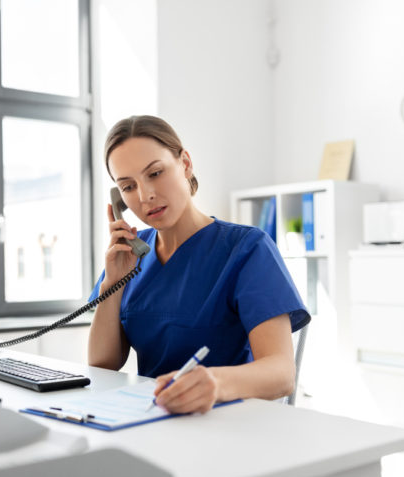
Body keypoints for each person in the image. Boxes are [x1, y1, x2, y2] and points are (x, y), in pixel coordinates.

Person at [87, 115, 310, 415]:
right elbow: (103, 365)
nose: (145, 196)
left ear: (185, 164)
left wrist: (214, 383)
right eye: (128, 187)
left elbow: (282, 374)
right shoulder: (130, 258)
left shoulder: (246, 250)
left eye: (155, 173)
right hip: (148, 423)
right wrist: (112, 284)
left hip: (228, 425)